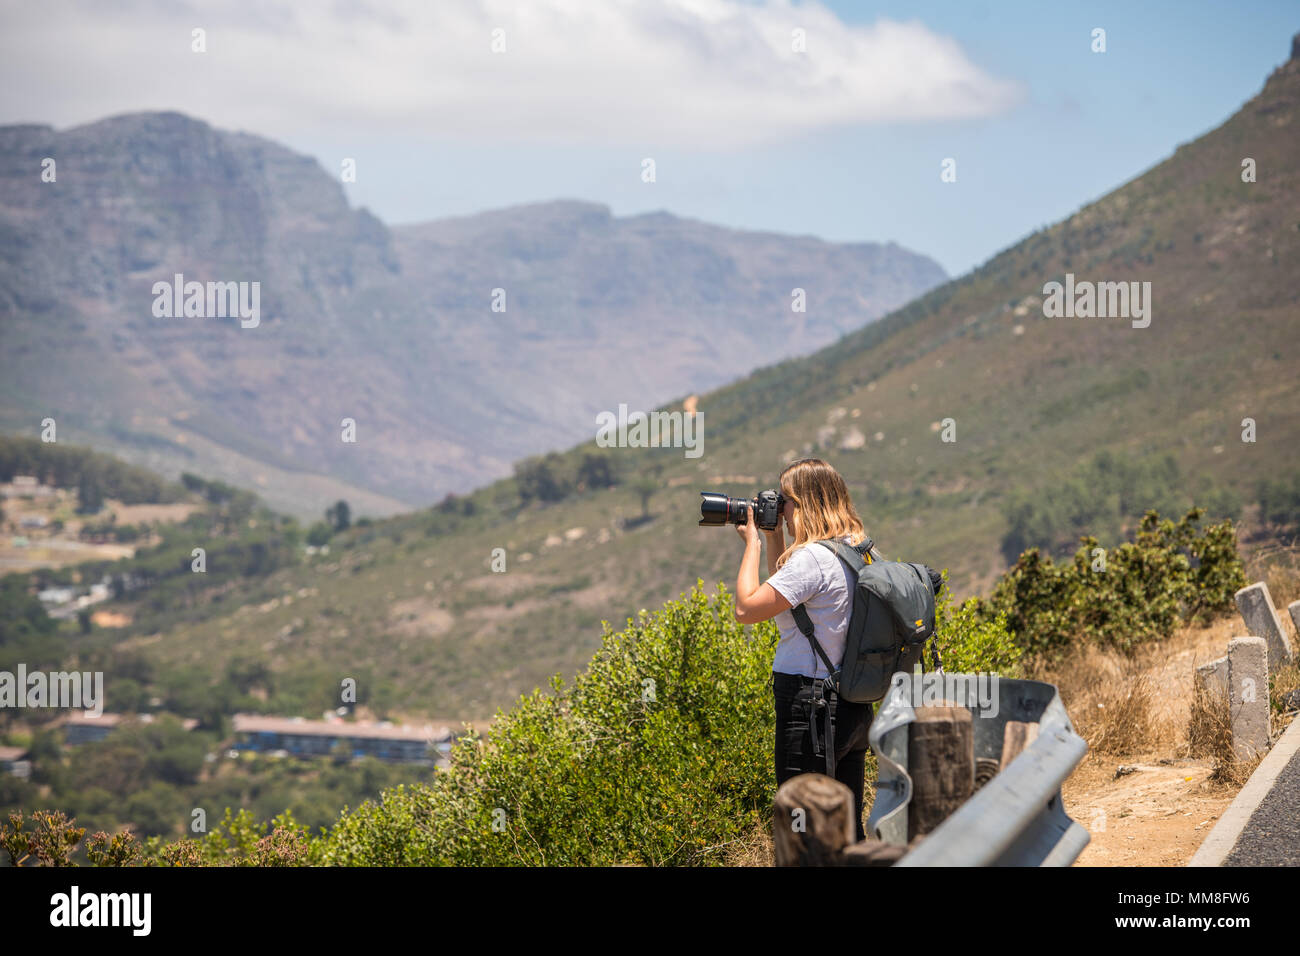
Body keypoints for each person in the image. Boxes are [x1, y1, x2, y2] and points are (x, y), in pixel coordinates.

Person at [732, 457, 878, 842]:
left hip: (810, 708)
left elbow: (746, 609)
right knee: (846, 832)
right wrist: (775, 537)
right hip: (851, 707)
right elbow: (789, 592)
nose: (784, 509)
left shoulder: (813, 559)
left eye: (787, 501)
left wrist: (751, 544)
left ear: (807, 503)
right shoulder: (856, 549)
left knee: (802, 834)